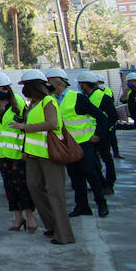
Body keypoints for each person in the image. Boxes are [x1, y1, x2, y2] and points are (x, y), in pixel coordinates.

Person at [12, 69, 75, 245]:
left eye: (26, 85)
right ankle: (52, 226)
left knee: (56, 193)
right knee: (34, 187)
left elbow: (52, 124)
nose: (24, 89)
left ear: (34, 86)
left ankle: (64, 234)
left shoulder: (49, 102)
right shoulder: (33, 104)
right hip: (34, 154)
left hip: (50, 154)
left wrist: (24, 126)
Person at [47, 68, 109, 218]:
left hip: (83, 144)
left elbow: (101, 117)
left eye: (49, 82)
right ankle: (82, 206)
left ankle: (101, 203)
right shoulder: (51, 100)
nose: (47, 85)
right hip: (66, 145)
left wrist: (97, 135)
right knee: (75, 177)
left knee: (90, 173)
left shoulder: (77, 98)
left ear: (58, 82)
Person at [0, 73, 36, 233]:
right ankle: (17, 217)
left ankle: (30, 217)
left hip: (18, 154)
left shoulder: (19, 104)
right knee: (9, 187)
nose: (1, 91)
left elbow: (28, 129)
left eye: (4, 88)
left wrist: (26, 150)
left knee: (22, 186)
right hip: (1, 154)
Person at [79, 70, 118, 192]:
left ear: (85, 84)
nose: (79, 86)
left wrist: (103, 132)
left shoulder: (103, 97)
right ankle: (101, 183)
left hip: (102, 134)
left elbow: (113, 116)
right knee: (94, 161)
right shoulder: (86, 97)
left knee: (106, 159)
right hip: (91, 134)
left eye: (81, 84)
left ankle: (109, 184)